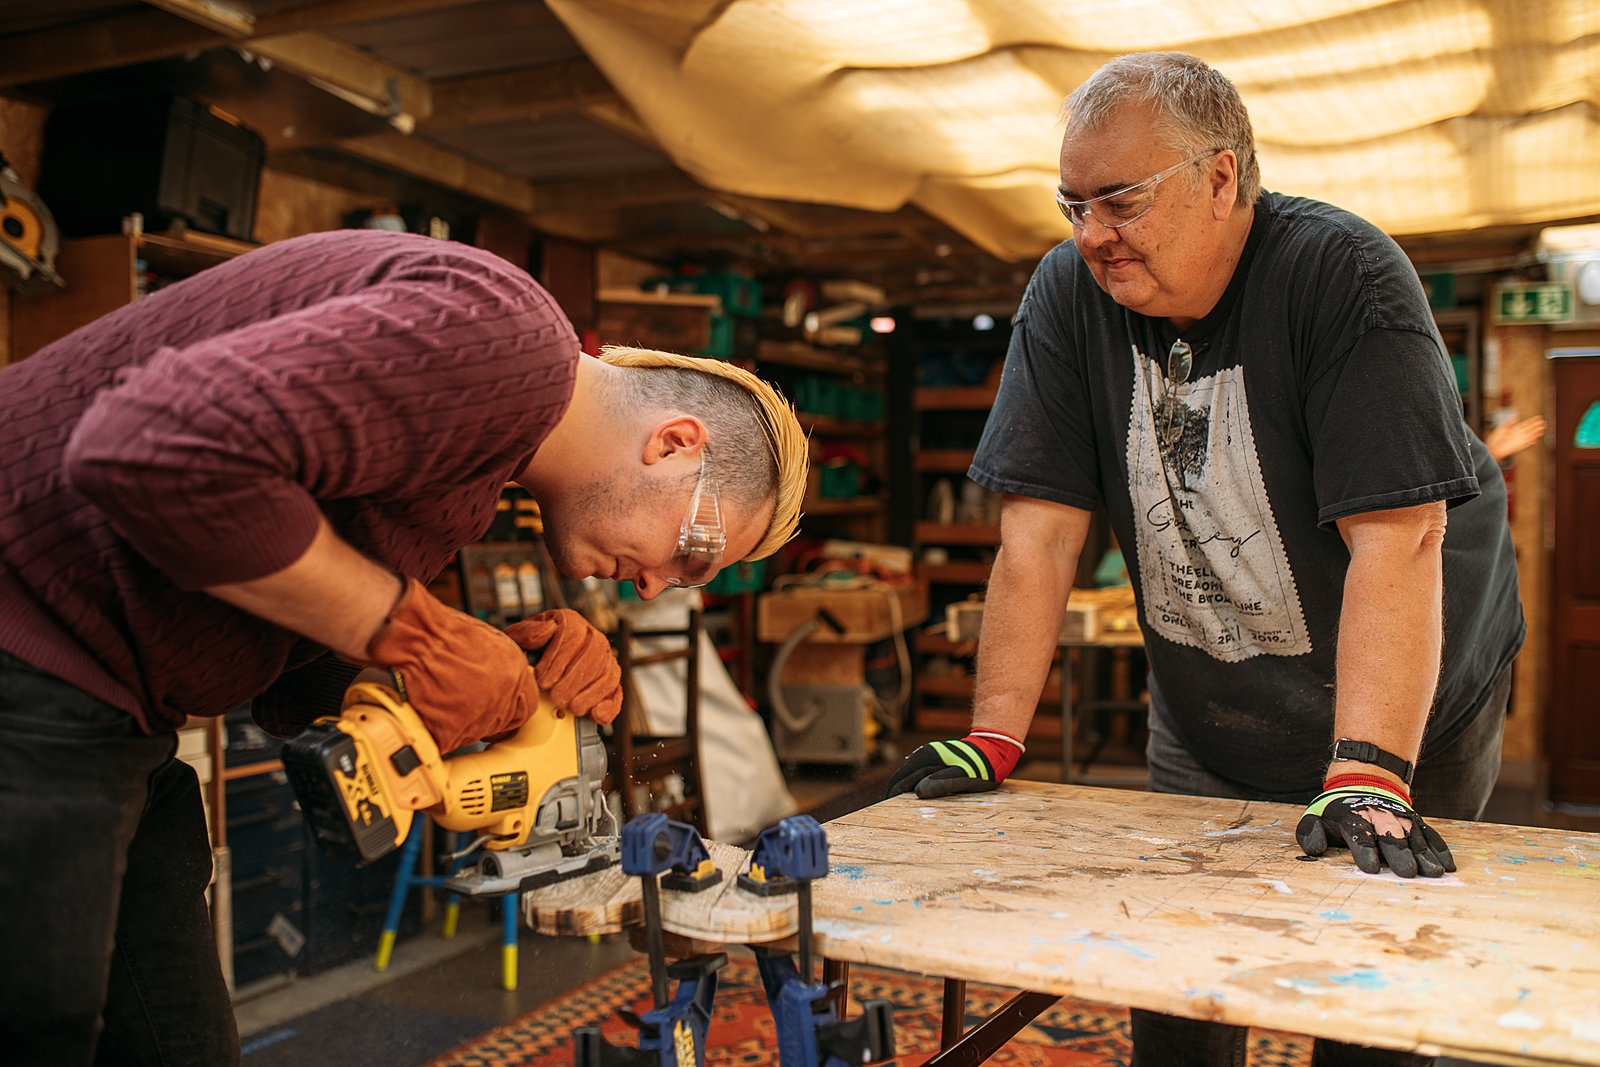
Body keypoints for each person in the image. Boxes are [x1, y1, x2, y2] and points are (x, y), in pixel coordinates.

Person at [0, 228, 807, 1065]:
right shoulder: (504, 337)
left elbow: (289, 694)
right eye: (696, 551)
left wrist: (493, 677)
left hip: (118, 722)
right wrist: (418, 634)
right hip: (29, 651)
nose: (659, 584)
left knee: (179, 1043)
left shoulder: (471, 476)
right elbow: (145, 450)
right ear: (675, 443)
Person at [887, 52, 1524, 1067]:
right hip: (1211, 693)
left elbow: (1398, 538)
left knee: (1368, 982)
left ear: (1221, 177)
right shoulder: (1067, 292)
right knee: (1173, 971)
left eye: (1119, 201)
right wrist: (994, 734)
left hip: (1408, 683)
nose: (1091, 234)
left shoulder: (1342, 276)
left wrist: (1366, 769)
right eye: (1072, 205)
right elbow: (1039, 532)